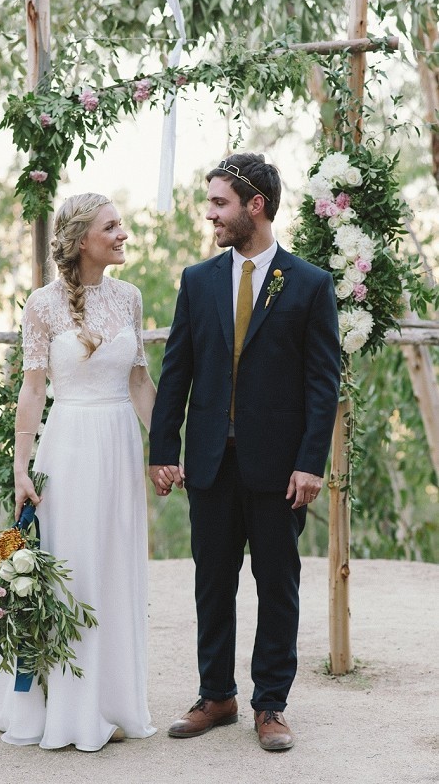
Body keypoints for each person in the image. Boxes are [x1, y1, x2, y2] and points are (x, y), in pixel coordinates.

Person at [148, 153, 340, 751]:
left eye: (219, 203)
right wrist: (162, 448)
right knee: (212, 583)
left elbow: (322, 383)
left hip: (280, 468)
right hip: (209, 461)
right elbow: (176, 370)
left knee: (277, 585)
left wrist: (310, 462)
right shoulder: (197, 280)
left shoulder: (310, 284)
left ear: (255, 206)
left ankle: (271, 704)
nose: (210, 214)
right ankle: (217, 696)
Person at [0, 192, 157, 751]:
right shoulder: (42, 305)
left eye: (121, 224)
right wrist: (21, 467)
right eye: (111, 227)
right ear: (81, 242)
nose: (123, 234)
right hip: (70, 446)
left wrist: (169, 450)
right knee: (72, 570)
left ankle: (111, 701)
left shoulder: (130, 297)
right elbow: (32, 390)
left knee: (115, 567)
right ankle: (65, 706)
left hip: (120, 446)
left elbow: (140, 383)